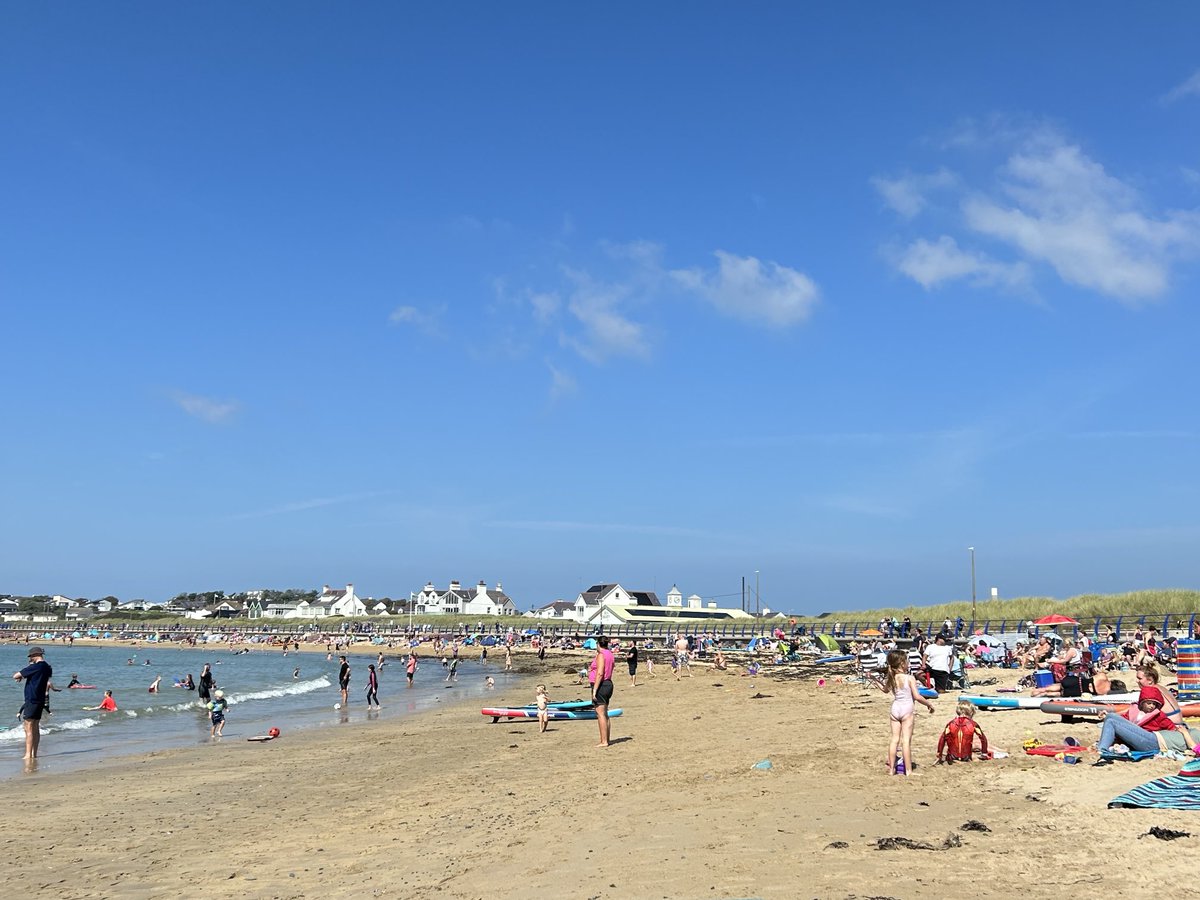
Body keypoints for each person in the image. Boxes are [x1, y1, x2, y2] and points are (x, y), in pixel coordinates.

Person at [1094, 685, 1184, 760]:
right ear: (1142, 703)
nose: (1152, 706)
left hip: (1149, 742)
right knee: (1110, 718)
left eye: (1154, 704)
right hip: (1137, 740)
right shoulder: (1134, 711)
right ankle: (1102, 749)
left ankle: (1102, 749)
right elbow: (1123, 722)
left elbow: (1171, 728)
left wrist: (1180, 731)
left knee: (1111, 717)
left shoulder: (1158, 715)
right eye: (1149, 703)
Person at [881, 649, 934, 776]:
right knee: (906, 741)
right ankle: (909, 770)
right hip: (906, 709)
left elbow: (885, 690)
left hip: (895, 708)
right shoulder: (909, 678)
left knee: (894, 739)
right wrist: (929, 704)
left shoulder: (892, 677)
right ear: (902, 663)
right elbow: (917, 696)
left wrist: (874, 680)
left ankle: (891, 770)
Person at [13, 647, 52, 759]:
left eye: (30, 657)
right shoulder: (47, 667)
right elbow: (38, 677)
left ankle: (27, 754)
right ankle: (34, 753)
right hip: (40, 699)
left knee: (28, 727)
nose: (29, 659)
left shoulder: (34, 667)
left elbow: (15, 675)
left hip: (31, 698)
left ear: (34, 655)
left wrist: (27, 670)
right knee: (35, 727)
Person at [589, 636, 616, 748]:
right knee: (604, 713)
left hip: (602, 684)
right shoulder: (610, 654)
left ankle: (604, 741)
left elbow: (600, 673)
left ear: (598, 644)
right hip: (608, 683)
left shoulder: (601, 655)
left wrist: (595, 690)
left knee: (600, 714)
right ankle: (606, 739)